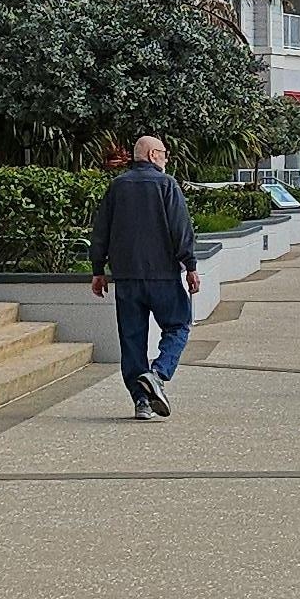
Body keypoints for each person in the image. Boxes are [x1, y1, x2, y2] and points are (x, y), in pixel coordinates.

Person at [89, 131, 201, 419]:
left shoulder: (117, 186)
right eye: (163, 153)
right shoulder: (166, 184)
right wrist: (190, 266)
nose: (165, 158)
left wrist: (98, 270)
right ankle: (158, 374)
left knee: (132, 339)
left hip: (126, 278)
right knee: (178, 325)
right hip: (162, 274)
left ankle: (141, 400)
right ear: (153, 155)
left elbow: (101, 230)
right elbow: (181, 228)